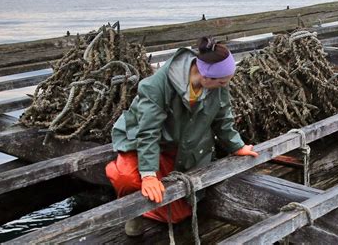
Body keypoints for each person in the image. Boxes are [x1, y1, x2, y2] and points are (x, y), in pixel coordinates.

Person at [105, 37, 259, 236]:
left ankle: (148, 210)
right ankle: (131, 211)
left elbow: (223, 117)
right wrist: (149, 175)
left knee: (177, 213)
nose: (225, 86)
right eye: (222, 82)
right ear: (205, 76)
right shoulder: (157, 86)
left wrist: (237, 146)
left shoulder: (219, 83)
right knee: (125, 177)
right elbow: (148, 132)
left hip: (180, 145)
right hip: (141, 140)